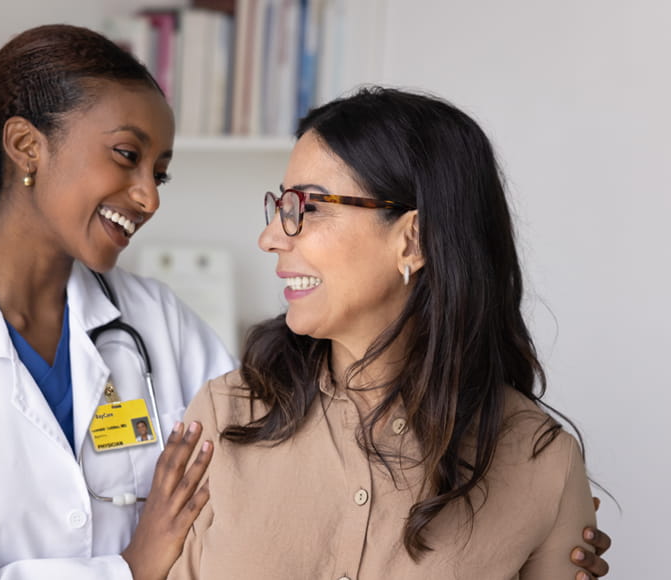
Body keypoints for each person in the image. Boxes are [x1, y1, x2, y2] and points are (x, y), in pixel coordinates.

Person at [0, 24, 613, 580]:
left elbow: (272, 465)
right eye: (127, 157)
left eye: (160, 172)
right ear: (27, 148)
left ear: (413, 240)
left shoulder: (161, 333)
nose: (147, 196)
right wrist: (129, 570)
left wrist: (528, 530)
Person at [169, 87, 607, 579]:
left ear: (413, 239)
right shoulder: (226, 415)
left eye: (305, 207)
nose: (271, 236)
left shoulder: (542, 462)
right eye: (279, 206)